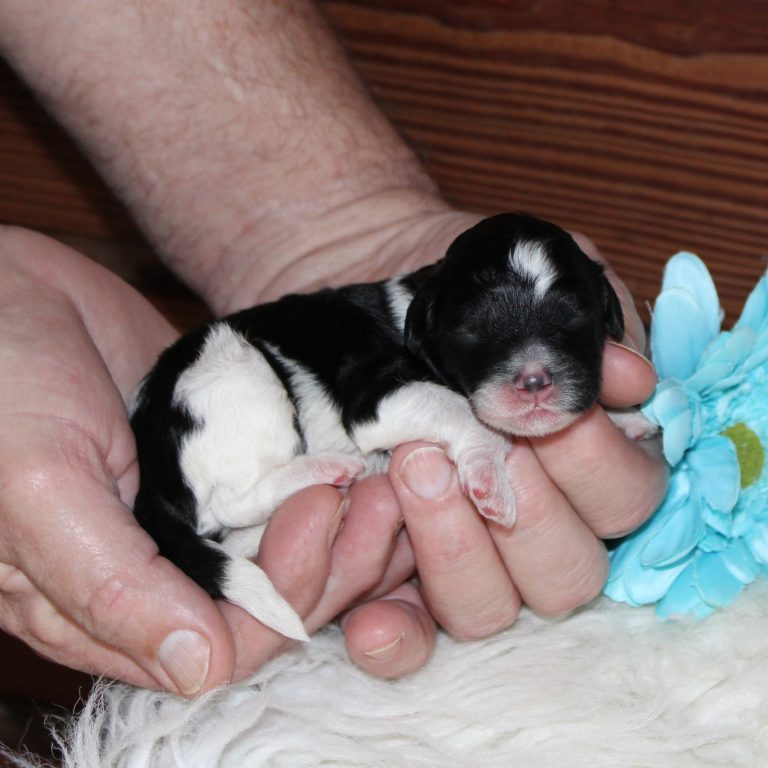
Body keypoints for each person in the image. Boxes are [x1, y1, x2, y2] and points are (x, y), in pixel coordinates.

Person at [0, 0, 667, 697]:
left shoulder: (437, 328)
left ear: (603, 314)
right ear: (429, 325)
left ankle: (247, 527)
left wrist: (604, 420)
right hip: (204, 426)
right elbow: (380, 415)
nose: (534, 373)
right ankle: (241, 505)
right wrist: (473, 440)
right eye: (482, 335)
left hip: (275, 453)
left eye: (568, 328)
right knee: (233, 372)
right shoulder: (395, 340)